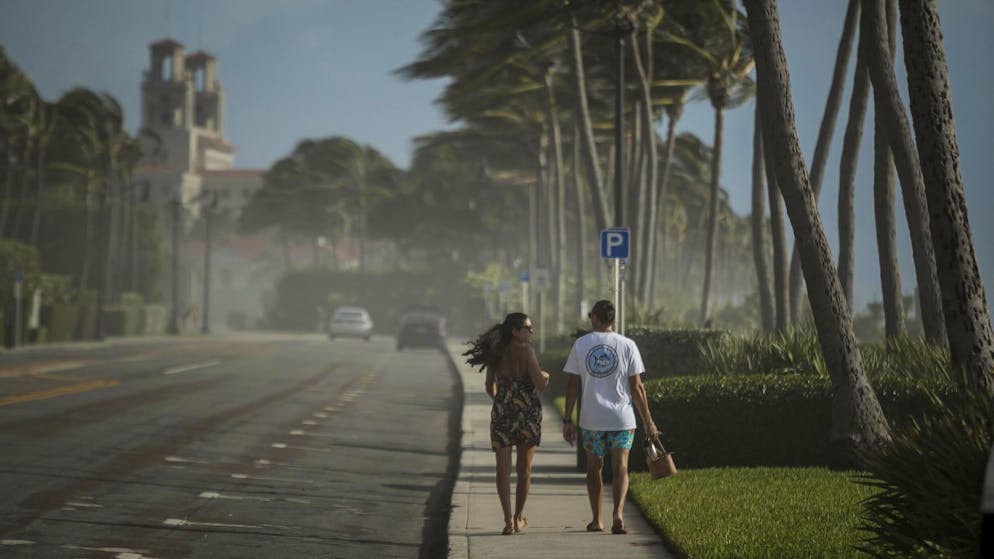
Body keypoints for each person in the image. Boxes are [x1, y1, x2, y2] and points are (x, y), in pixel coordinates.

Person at [562, 299, 658, 535]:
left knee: (594, 468)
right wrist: (648, 420)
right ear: (611, 319)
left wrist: (567, 419)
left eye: (590, 316)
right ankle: (618, 515)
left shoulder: (581, 344)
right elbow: (637, 387)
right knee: (621, 468)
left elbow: (573, 385)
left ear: (595, 317)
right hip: (622, 419)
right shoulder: (628, 345)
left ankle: (597, 520)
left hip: (592, 419)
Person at [464, 312, 550, 535]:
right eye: (527, 328)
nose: (531, 331)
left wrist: (502, 402)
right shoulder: (527, 352)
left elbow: (488, 386)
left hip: (502, 414)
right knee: (524, 469)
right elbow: (540, 384)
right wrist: (546, 375)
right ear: (515, 331)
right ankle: (518, 517)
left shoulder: (496, 353)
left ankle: (507, 520)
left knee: (502, 470)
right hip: (527, 415)